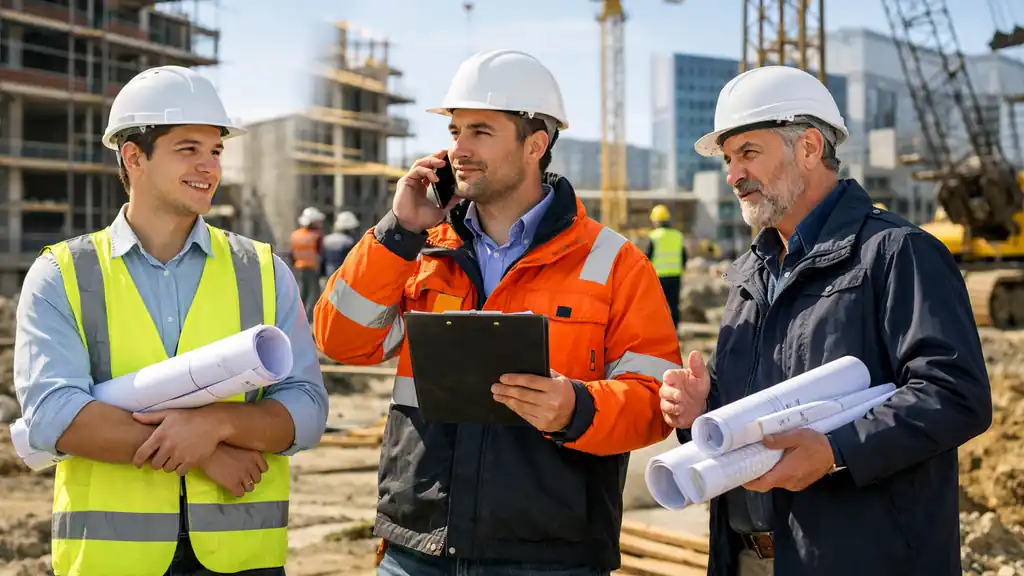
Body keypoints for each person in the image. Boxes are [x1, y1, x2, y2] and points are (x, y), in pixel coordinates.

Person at [313, 49, 683, 576]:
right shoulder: (421, 249)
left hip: (550, 556)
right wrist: (398, 231)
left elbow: (652, 403)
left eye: (480, 131)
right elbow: (340, 341)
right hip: (418, 546)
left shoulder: (613, 263)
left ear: (536, 145)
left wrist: (575, 408)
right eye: (456, 130)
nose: (458, 148)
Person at [657, 65, 992, 576]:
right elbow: (766, 414)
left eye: (748, 153)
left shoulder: (897, 253)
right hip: (748, 559)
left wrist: (837, 450)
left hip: (861, 558)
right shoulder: (750, 275)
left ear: (809, 147)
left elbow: (955, 394)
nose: (733, 176)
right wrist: (702, 411)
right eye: (728, 160)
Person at [12, 65, 329, 576]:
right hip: (113, 560)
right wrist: (203, 453)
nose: (209, 166)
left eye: (216, 150)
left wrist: (217, 425)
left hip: (241, 558)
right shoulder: (62, 274)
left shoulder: (264, 271)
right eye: (189, 149)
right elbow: (53, 414)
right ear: (133, 156)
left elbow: (308, 408)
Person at [644, 204, 686, 327]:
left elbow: (647, 257)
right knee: (674, 305)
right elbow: (683, 256)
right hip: (675, 275)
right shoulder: (677, 235)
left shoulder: (653, 236)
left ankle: (657, 330)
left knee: (657, 306)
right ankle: (674, 332)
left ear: (655, 220)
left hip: (658, 276)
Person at [290, 206, 325, 321]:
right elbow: (320, 253)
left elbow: (292, 253)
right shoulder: (316, 236)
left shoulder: (295, 235)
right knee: (313, 295)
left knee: (300, 294)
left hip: (298, 267)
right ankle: (308, 319)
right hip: (312, 268)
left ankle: (297, 317)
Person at [321, 210, 359, 278]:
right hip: (343, 275)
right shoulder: (349, 241)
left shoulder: (327, 239)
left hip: (329, 273)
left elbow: (323, 259)